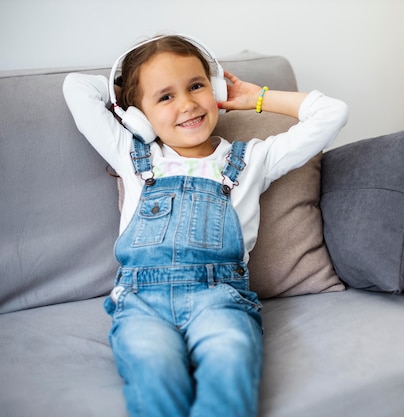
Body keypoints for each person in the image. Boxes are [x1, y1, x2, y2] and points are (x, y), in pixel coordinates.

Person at [63, 34, 348, 417]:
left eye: (196, 85)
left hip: (220, 296)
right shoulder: (131, 154)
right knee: (154, 367)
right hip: (142, 301)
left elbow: (332, 113)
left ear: (212, 87)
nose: (187, 103)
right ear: (138, 114)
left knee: (230, 360)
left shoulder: (251, 160)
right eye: (165, 96)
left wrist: (255, 97)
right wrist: (124, 102)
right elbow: (76, 87)